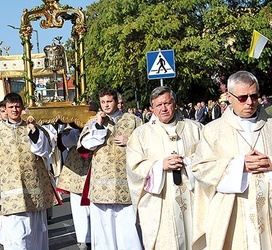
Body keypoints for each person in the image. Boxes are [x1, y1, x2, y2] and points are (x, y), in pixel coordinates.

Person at [192, 70, 272, 249]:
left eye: (254, 96)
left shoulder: (270, 126)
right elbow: (200, 168)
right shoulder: (213, 130)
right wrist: (238, 165)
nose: (250, 102)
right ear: (229, 96)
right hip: (233, 214)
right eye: (243, 98)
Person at [126, 86, 203, 249]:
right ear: (152, 108)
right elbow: (134, 167)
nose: (164, 108)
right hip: (160, 202)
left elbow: (207, 160)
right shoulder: (141, 134)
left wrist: (188, 163)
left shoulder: (195, 128)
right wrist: (160, 165)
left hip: (193, 198)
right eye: (158, 105)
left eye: (167, 103)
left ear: (174, 103)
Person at [0, 92, 57, 250]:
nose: (14, 110)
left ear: (22, 108)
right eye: (11, 107)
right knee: (17, 236)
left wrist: (34, 133)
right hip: (11, 189)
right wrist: (4, 164)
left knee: (36, 234)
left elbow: (46, 150)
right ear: (5, 109)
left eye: (17, 106)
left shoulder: (33, 128)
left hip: (34, 186)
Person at [77, 87, 143, 249]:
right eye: (103, 102)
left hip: (126, 183)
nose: (106, 105)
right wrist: (98, 126)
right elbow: (84, 146)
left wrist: (130, 141)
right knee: (103, 230)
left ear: (117, 101)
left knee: (128, 230)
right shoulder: (93, 122)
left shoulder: (133, 120)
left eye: (109, 101)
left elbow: (146, 144)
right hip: (102, 186)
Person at [57, 127, 92, 250]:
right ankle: (83, 238)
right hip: (76, 169)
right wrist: (77, 129)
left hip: (95, 165)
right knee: (78, 204)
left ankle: (97, 235)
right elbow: (65, 142)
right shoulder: (71, 129)